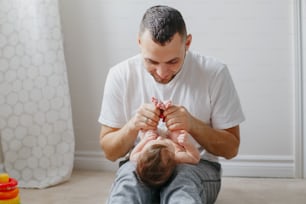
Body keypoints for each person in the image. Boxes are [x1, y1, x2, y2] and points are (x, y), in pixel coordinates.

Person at [99, 5, 245, 204]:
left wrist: (192, 124)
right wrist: (133, 125)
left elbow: (231, 149)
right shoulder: (120, 75)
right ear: (139, 42)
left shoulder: (215, 73)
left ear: (188, 43)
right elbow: (109, 151)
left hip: (196, 166)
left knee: (182, 184)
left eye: (173, 62)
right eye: (152, 62)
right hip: (142, 164)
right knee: (128, 186)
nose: (162, 72)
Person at [130, 127, 200, 188]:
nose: (160, 138)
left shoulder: (142, 156)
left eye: (155, 143)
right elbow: (194, 157)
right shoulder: (175, 156)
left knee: (148, 130)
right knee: (176, 133)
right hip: (172, 139)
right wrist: (187, 144)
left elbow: (132, 156)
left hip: (152, 135)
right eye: (164, 145)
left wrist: (145, 140)